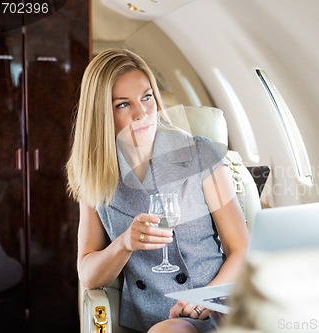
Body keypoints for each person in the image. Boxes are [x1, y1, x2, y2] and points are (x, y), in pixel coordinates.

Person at [66, 48, 249, 333]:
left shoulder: (200, 155)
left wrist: (203, 301)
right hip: (153, 318)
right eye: (123, 105)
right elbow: (88, 274)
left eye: (147, 98)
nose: (142, 114)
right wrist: (125, 243)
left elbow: (241, 249)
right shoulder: (95, 177)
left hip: (215, 305)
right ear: (101, 113)